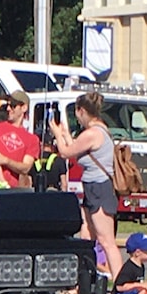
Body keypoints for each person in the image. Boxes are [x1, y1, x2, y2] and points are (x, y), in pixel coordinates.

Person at [48, 91, 124, 279]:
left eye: (76, 113)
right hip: (92, 188)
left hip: (100, 189)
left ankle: (120, 282)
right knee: (86, 237)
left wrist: (57, 134)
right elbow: (76, 148)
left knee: (106, 241)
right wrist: (65, 134)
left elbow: (65, 153)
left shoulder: (92, 133)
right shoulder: (98, 131)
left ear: (82, 111)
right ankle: (82, 280)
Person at [0, 89, 39, 189]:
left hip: (6, 190)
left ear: (24, 107)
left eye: (13, 105)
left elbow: (26, 168)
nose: (8, 109)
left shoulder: (32, 139)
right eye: (7, 105)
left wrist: (5, 161)